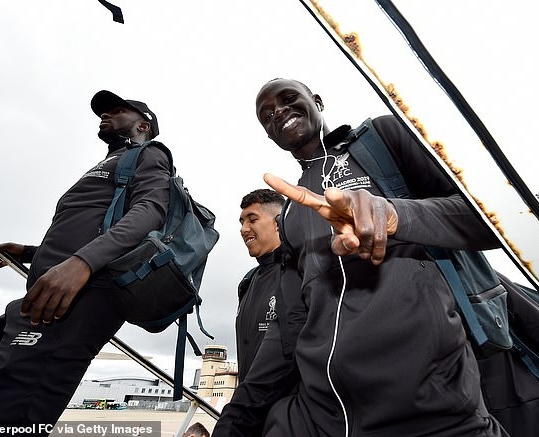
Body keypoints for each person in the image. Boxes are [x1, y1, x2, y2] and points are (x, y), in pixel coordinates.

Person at [212, 78, 508, 436]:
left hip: (435, 407)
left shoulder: (382, 139)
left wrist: (395, 215)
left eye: (289, 99)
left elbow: (493, 221)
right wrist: (235, 420)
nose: (279, 113)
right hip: (327, 417)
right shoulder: (289, 214)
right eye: (267, 115)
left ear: (317, 101)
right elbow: (289, 327)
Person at [0, 90, 170, 434]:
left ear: (142, 125)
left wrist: (83, 263)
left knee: (10, 406)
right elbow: (88, 227)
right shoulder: (110, 163)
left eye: (118, 111)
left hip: (81, 296)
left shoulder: (150, 153)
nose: (106, 115)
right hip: (43, 295)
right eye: (104, 112)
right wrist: (29, 252)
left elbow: (151, 210)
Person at [236, 189, 286, 382]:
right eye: (242, 222)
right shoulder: (247, 282)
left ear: (279, 223)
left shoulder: (301, 274)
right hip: (247, 397)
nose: (243, 229)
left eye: (252, 220)